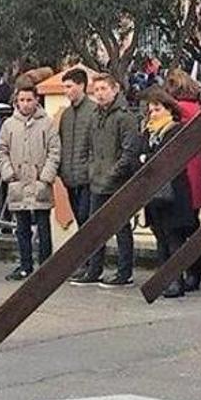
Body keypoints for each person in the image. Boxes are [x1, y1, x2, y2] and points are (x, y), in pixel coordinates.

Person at [69, 73, 140, 288]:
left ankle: (124, 271)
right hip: (97, 180)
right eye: (96, 90)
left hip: (117, 182)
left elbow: (129, 152)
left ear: (114, 89)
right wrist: (92, 169)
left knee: (121, 227)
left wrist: (112, 173)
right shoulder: (95, 115)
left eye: (103, 89)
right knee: (95, 228)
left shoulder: (124, 116)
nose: (99, 94)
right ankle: (94, 269)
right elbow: (90, 147)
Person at [139, 87, 198, 298]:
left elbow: (167, 158)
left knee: (174, 238)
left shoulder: (175, 130)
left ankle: (177, 280)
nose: (153, 114)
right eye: (150, 110)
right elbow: (142, 153)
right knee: (160, 237)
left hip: (174, 192)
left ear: (169, 109)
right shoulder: (148, 132)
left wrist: (148, 159)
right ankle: (164, 278)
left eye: (157, 109)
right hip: (154, 194)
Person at [0, 85, 60, 281]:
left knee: (43, 225)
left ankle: (46, 266)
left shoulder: (47, 124)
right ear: (17, 102)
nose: (26, 104)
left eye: (29, 100)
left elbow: (54, 151)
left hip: (39, 182)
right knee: (22, 227)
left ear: (36, 101)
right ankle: (25, 265)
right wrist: (9, 174)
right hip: (18, 182)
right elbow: (2, 150)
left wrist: (46, 177)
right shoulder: (9, 125)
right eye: (22, 100)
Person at [164, 68, 201, 290]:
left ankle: (182, 275)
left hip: (182, 174)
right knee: (192, 225)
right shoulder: (197, 108)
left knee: (179, 228)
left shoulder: (178, 110)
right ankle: (194, 273)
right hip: (196, 170)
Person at [58, 67, 96, 281]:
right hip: (70, 177)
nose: (66, 91)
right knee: (79, 221)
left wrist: (90, 170)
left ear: (81, 85)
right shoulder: (66, 115)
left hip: (87, 177)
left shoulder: (92, 111)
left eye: (69, 86)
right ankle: (85, 262)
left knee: (87, 220)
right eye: (64, 87)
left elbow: (95, 145)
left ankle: (90, 264)